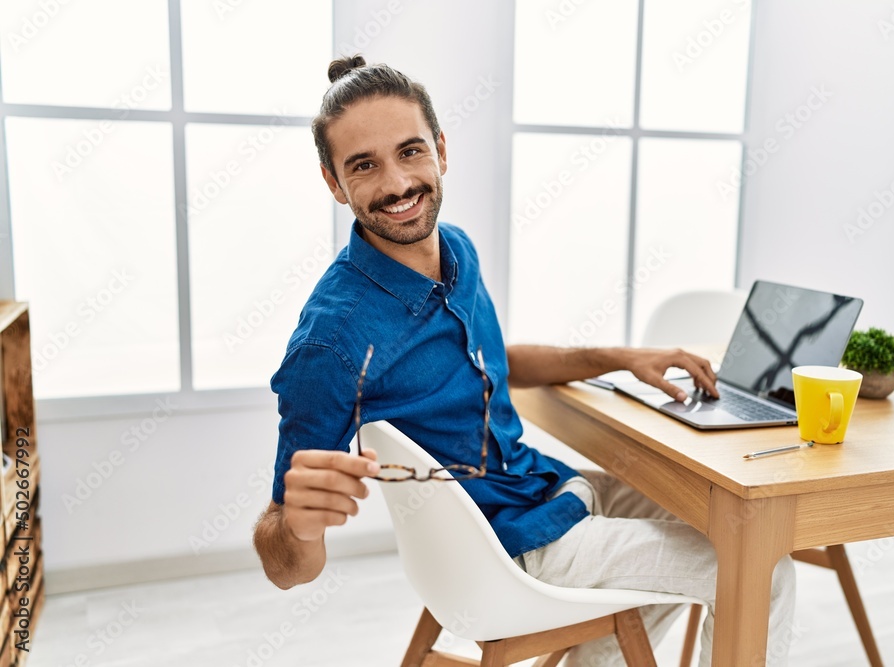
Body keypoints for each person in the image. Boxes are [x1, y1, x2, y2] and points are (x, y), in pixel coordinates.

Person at [252, 55, 796, 666]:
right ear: (333, 182)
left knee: (738, 528)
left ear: (441, 149)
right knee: (757, 569)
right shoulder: (331, 342)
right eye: (364, 165)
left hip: (549, 489)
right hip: (506, 549)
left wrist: (619, 357)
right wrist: (298, 526)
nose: (399, 183)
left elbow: (488, 361)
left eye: (410, 151)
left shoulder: (455, 249)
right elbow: (285, 567)